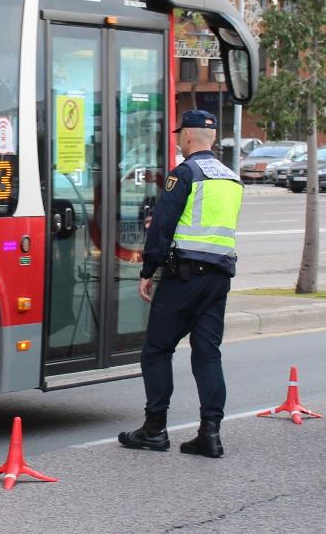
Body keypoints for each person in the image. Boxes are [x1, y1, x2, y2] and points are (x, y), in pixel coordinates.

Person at [118, 110, 243, 458]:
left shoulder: (185, 173)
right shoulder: (232, 179)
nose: (176, 139)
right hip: (219, 278)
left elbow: (162, 226)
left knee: (157, 350)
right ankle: (210, 433)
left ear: (187, 137)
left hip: (185, 276)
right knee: (207, 354)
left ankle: (155, 429)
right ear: (213, 139)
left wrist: (148, 271)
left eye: (178, 134)